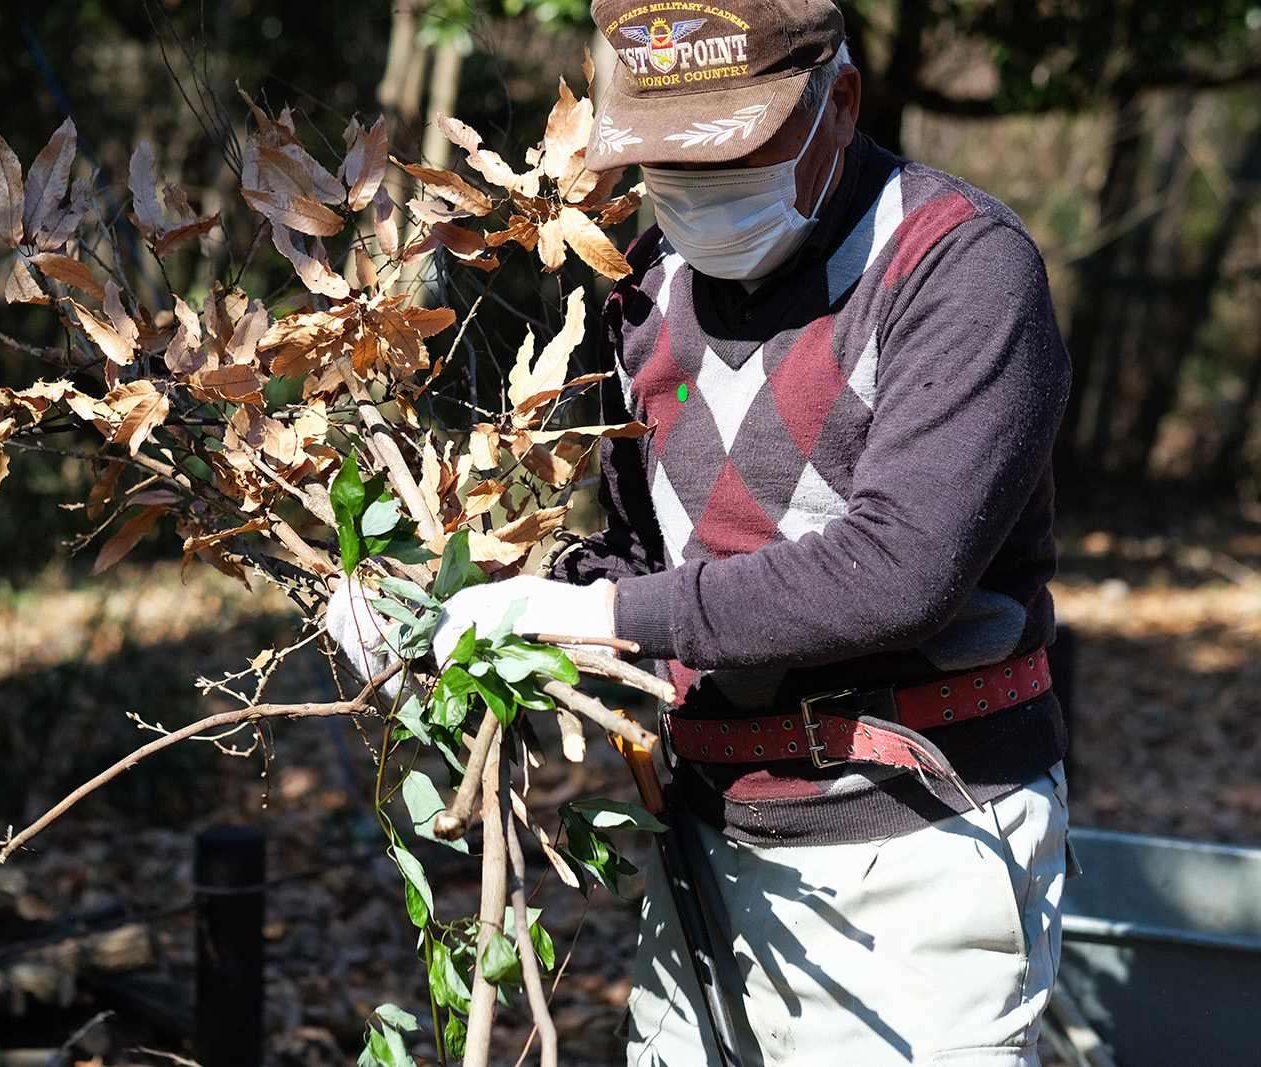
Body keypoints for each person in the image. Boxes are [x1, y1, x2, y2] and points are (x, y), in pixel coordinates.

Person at [410, 0, 1076, 1064]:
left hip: (919, 835)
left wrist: (608, 612)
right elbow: (641, 559)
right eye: (661, 158)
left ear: (838, 104)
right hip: (708, 832)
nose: (692, 186)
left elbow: (899, 568)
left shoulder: (957, 266)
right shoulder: (644, 280)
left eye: (729, 149)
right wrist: (444, 612)